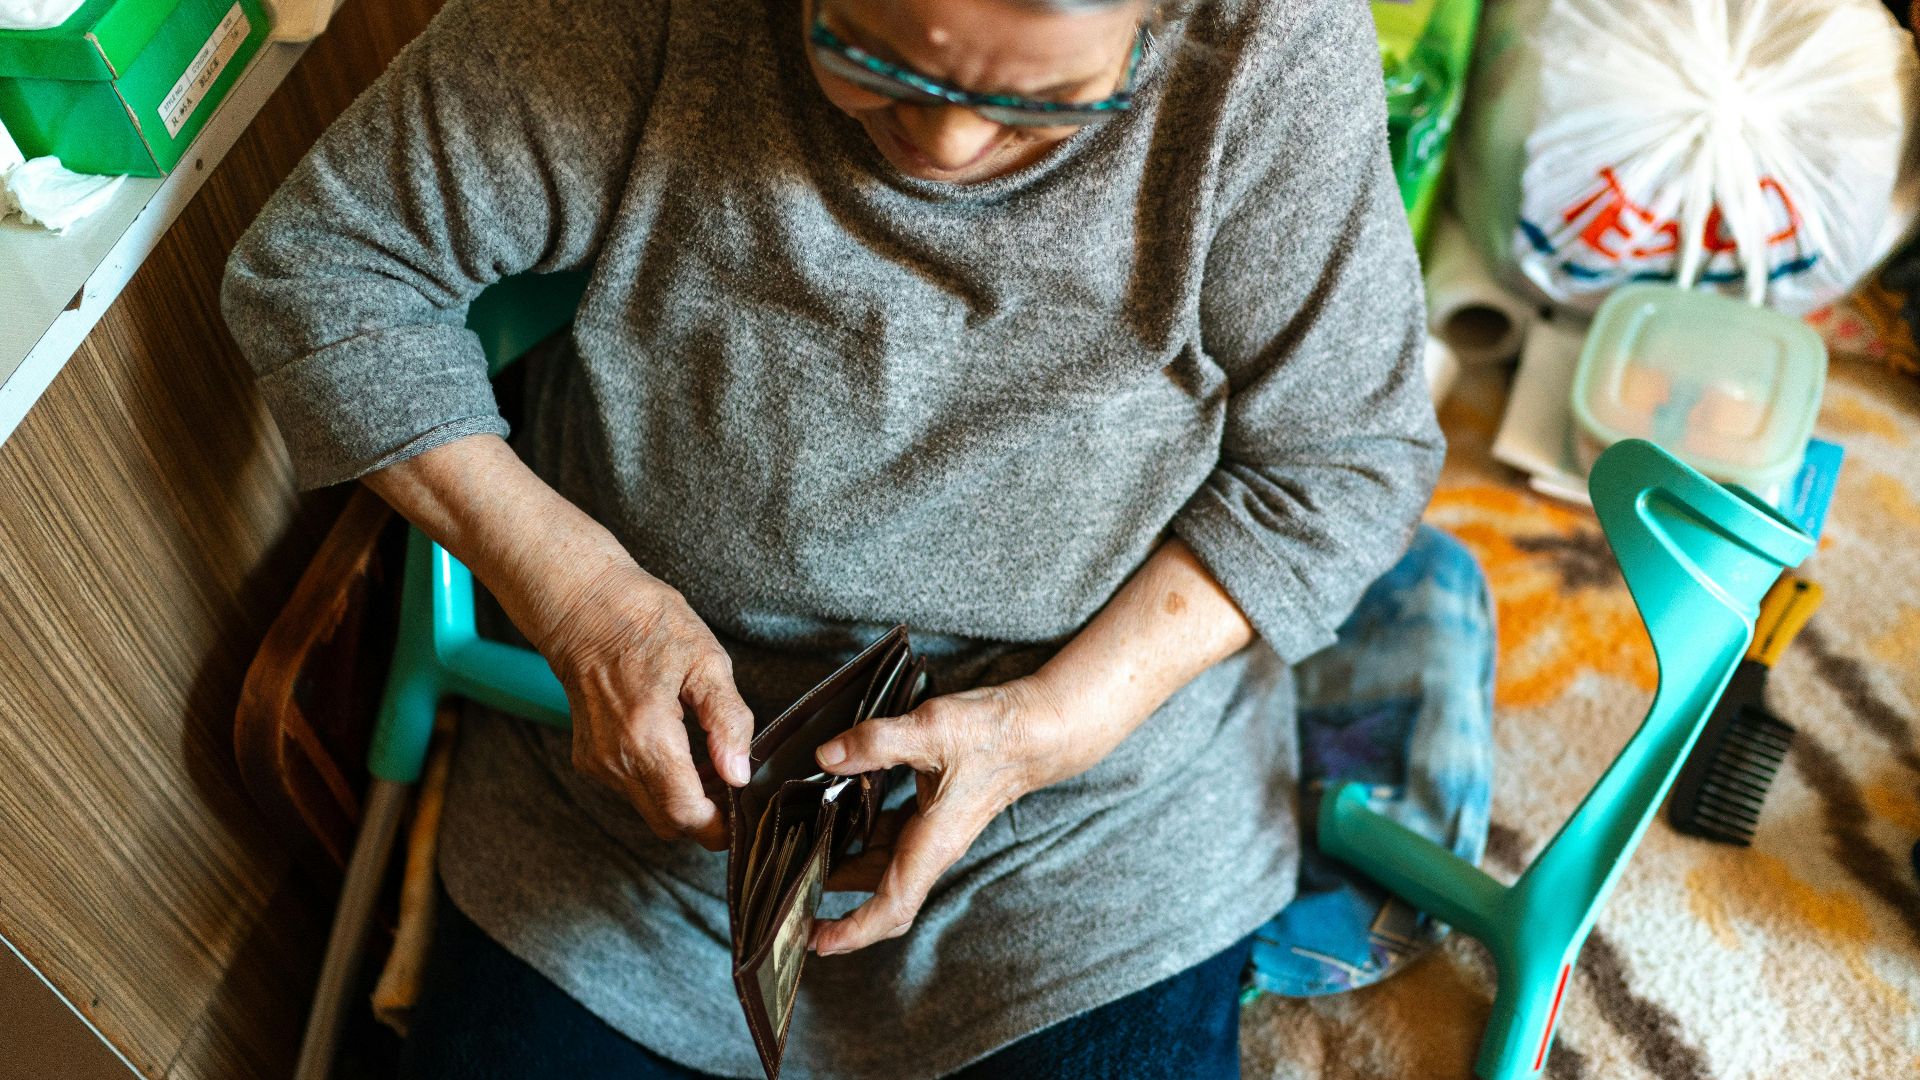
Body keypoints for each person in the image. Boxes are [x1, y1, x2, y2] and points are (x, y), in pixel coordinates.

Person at [222, 0, 1443, 1075]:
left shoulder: (1270, 46)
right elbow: (324, 273)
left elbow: (1348, 458)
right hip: (634, 800)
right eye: (868, 54)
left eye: (1047, 103)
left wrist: (1053, 724)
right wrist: (583, 601)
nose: (948, 144)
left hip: (1080, 836)